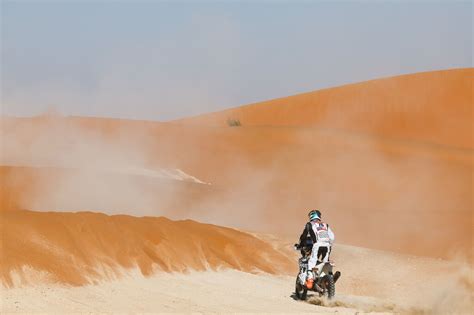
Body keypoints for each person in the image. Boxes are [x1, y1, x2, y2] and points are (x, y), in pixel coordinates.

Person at [298, 210, 335, 289]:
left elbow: (304, 236)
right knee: (325, 263)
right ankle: (327, 278)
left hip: (317, 245)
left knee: (312, 262)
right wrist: (329, 244)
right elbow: (332, 237)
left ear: (311, 216)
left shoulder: (309, 224)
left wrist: (300, 244)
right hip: (327, 246)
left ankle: (310, 280)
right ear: (319, 216)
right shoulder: (325, 225)